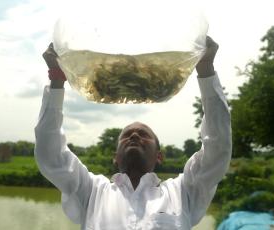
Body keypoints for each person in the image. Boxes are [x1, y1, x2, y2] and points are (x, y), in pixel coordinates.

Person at [34, 36, 232, 230]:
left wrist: (206, 69)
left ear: (159, 156)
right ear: (115, 157)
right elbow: (51, 155)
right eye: (126, 135)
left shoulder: (183, 192)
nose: (135, 136)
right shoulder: (92, 191)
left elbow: (218, 147)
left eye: (143, 134)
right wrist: (57, 78)